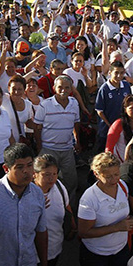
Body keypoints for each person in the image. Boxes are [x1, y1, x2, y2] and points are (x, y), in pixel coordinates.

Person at [30, 154, 74, 266]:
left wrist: (73, 226)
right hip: (33, 255)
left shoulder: (59, 187)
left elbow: (67, 208)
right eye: (47, 174)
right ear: (35, 174)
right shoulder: (28, 194)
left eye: (55, 174)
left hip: (54, 249)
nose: (52, 179)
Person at [34, 75, 81, 204]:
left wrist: (77, 141)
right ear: (54, 88)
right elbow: (37, 128)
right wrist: (40, 148)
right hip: (48, 150)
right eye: (60, 87)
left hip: (67, 150)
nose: (63, 90)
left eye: (67, 87)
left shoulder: (74, 103)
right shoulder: (45, 105)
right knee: (44, 181)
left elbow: (76, 123)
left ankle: (68, 207)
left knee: (71, 181)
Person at [96, 61, 132, 147]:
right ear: (110, 73)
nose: (119, 75)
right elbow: (99, 111)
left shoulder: (126, 86)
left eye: (121, 73)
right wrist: (110, 125)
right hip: (107, 130)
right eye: (116, 72)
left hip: (123, 128)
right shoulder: (104, 89)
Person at [105, 94, 133, 162]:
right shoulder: (118, 124)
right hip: (120, 163)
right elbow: (109, 149)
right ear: (125, 109)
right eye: (132, 108)